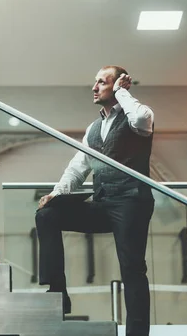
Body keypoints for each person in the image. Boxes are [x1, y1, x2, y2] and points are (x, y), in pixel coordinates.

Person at [35, 66, 154, 336]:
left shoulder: (137, 114)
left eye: (102, 82)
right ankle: (58, 293)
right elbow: (78, 167)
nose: (95, 86)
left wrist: (123, 93)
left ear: (118, 86)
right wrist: (56, 193)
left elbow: (142, 122)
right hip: (103, 203)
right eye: (95, 82)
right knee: (47, 214)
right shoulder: (94, 128)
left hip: (131, 202)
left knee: (132, 269)